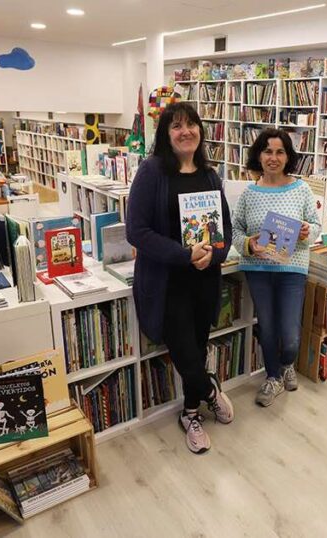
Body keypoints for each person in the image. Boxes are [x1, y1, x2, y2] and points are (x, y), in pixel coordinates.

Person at [126, 102, 234, 454]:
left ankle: (190, 414)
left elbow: (224, 229)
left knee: (197, 347)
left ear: (200, 130)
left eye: (191, 124)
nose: (185, 131)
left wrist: (213, 255)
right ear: (165, 134)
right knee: (186, 352)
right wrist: (184, 254)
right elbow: (136, 231)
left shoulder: (210, 175)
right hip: (167, 283)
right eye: (177, 126)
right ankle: (209, 390)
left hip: (204, 280)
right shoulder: (152, 172)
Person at [233, 129, 321, 407]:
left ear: (288, 156)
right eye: (268, 151)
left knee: (291, 335)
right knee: (268, 328)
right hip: (258, 270)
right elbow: (236, 231)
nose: (273, 157)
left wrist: (308, 231)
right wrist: (248, 243)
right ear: (259, 155)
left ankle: (287, 364)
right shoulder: (249, 193)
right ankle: (273, 377)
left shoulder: (301, 189)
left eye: (280, 151)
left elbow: (315, 225)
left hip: (292, 269)